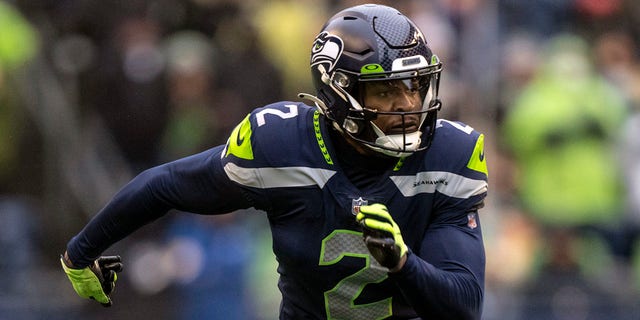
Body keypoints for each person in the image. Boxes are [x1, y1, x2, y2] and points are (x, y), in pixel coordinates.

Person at [60, 4, 489, 319]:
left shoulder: (448, 157)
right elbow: (165, 185)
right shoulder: (281, 144)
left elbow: (463, 305)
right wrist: (80, 253)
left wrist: (402, 262)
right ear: (338, 92)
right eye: (386, 92)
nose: (409, 105)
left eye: (414, 86)